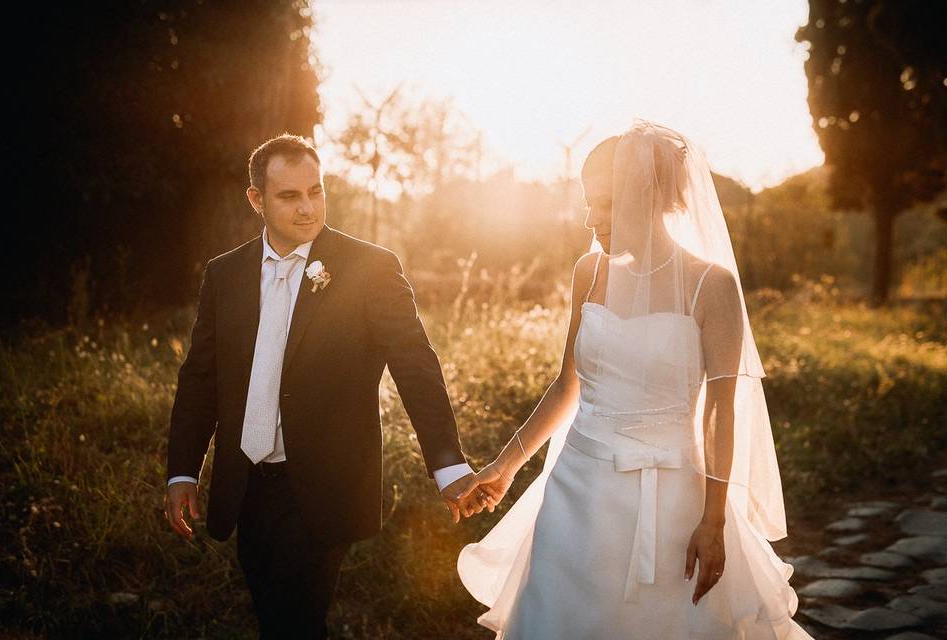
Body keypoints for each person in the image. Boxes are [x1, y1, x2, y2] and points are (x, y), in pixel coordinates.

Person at [457, 120, 814, 639]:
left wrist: (713, 521)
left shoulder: (712, 286)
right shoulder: (590, 272)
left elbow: (719, 409)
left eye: (602, 202)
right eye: (586, 202)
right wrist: (505, 466)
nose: (589, 218)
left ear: (646, 195)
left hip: (673, 497)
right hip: (577, 490)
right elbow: (567, 386)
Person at [162, 134, 488, 639]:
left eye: (315, 191)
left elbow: (415, 364)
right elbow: (201, 377)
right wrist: (182, 469)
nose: (307, 208)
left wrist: (448, 465)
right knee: (272, 614)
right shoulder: (224, 275)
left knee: (297, 620)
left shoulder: (370, 268)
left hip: (321, 486)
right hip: (245, 482)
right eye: (289, 196)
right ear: (256, 200)